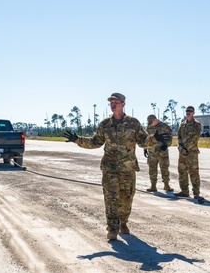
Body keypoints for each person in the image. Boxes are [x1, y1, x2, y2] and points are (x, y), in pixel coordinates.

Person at [63, 92, 152, 241]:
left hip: (128, 169)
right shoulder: (105, 124)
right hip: (110, 169)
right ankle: (112, 228)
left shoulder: (133, 123)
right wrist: (77, 140)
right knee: (111, 199)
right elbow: (95, 142)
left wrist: (156, 140)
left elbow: (143, 142)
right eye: (111, 102)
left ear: (123, 104)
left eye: (116, 102)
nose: (113, 104)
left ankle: (123, 222)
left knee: (126, 199)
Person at [176, 105, 204, 202]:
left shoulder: (197, 124)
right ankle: (184, 191)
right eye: (187, 111)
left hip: (192, 153)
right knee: (182, 171)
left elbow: (195, 138)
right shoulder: (182, 124)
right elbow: (179, 136)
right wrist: (180, 147)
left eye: (190, 111)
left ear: (193, 113)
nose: (188, 112)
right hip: (182, 153)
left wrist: (185, 148)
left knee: (194, 173)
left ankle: (196, 193)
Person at [144, 114, 173, 192]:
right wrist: (145, 148)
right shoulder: (148, 128)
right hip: (152, 152)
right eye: (149, 123)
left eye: (151, 122)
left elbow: (170, 137)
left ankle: (166, 185)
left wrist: (166, 145)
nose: (150, 124)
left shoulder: (164, 126)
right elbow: (146, 139)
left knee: (164, 168)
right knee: (152, 169)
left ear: (155, 120)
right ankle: (153, 186)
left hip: (162, 151)